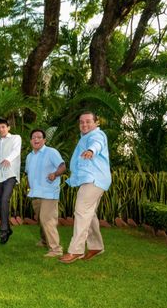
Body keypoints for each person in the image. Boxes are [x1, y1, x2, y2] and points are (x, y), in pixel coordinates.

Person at [60, 111, 111, 264]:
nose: (84, 124)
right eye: (81, 122)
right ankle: (96, 246)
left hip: (94, 180)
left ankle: (76, 251)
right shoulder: (84, 138)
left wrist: (91, 150)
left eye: (88, 121)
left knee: (81, 212)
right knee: (89, 214)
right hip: (94, 180)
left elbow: (97, 144)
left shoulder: (97, 135)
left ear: (97, 123)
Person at [25, 129, 66, 257]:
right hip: (35, 192)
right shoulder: (29, 156)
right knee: (41, 219)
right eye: (33, 137)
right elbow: (28, 173)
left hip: (49, 192)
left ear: (44, 140)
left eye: (39, 137)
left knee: (47, 219)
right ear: (31, 140)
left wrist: (55, 174)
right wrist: (28, 187)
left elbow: (62, 166)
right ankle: (44, 241)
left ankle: (56, 249)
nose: (36, 139)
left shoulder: (51, 152)